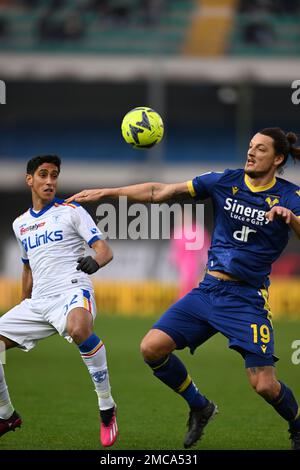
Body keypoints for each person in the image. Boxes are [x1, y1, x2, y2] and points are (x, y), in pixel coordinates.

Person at [67, 128, 300, 450]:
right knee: (151, 348)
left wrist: (292, 219)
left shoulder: (291, 197)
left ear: (277, 158)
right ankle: (199, 405)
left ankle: (297, 425)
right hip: (207, 291)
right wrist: (107, 192)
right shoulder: (224, 182)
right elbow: (158, 192)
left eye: (260, 149)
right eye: (250, 146)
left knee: (263, 385)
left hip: (246, 299)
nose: (251, 152)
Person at [0, 155, 118, 447]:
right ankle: (6, 415)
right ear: (30, 180)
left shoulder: (72, 211)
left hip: (72, 290)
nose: (50, 181)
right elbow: (27, 268)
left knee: (80, 330)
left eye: (54, 175)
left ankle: (106, 406)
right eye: (43, 175)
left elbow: (104, 250)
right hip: (39, 301)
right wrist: (23, 305)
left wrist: (95, 262)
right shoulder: (20, 224)